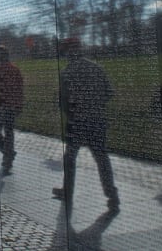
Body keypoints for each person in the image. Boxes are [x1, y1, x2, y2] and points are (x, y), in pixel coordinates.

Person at [52, 38, 119, 213]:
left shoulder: (67, 72)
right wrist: (95, 105)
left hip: (78, 122)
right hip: (97, 119)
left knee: (70, 158)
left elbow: (63, 101)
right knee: (101, 158)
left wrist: (71, 115)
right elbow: (109, 93)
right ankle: (112, 195)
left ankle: (67, 191)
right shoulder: (96, 68)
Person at [0, 45, 24, 175]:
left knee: (8, 132)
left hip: (8, 106)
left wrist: (18, 105)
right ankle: (9, 152)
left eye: (1, 54)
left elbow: (19, 88)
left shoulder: (14, 70)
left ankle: (7, 160)